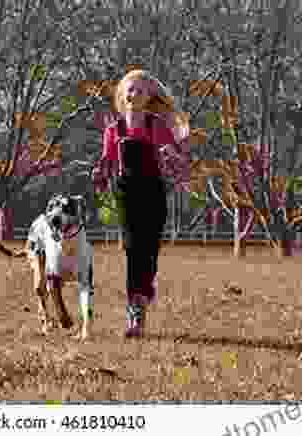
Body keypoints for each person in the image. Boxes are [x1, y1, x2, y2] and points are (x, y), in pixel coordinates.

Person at [92, 69, 190, 338]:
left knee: (149, 248)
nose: (134, 94)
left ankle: (145, 288)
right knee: (133, 247)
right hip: (126, 192)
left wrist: (171, 155)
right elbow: (107, 160)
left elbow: (178, 161)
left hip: (154, 191)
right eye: (130, 89)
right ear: (123, 94)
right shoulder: (114, 129)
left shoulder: (155, 125)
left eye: (141, 90)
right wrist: (100, 175)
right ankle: (135, 309)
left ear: (149, 98)